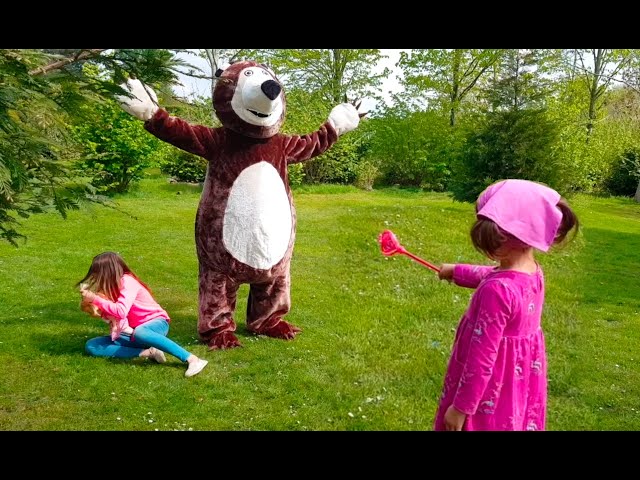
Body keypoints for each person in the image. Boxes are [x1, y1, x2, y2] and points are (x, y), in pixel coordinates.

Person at [433, 179, 579, 431]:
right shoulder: (531, 272)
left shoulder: (496, 291)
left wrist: (461, 409)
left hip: (486, 390)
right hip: (517, 379)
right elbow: (490, 274)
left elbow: (481, 359)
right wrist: (456, 271)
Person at [77, 252, 209, 378]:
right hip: (134, 333)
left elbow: (121, 310)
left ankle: (193, 359)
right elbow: (114, 314)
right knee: (92, 346)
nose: (98, 280)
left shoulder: (128, 282)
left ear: (107, 272)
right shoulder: (112, 287)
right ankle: (149, 352)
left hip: (156, 324)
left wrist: (95, 299)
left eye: (98, 275)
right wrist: (93, 308)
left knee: (141, 332)